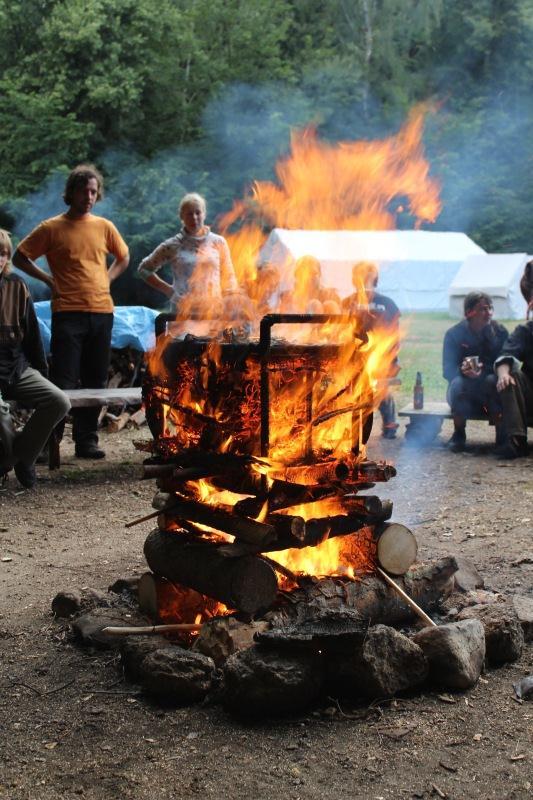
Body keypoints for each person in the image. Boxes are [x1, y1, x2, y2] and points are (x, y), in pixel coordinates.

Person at [12, 164, 130, 459]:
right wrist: (47, 280)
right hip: (67, 311)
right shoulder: (52, 228)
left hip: (102, 311)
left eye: (93, 191)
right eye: (84, 191)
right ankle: (46, 443)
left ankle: (86, 441)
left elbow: (124, 256)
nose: (89, 196)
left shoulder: (104, 226)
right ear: (72, 192)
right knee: (63, 380)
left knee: (95, 379)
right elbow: (19, 256)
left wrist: (108, 278)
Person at [0, 229, 70, 487]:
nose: (0, 258)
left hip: (15, 368)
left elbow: (32, 336)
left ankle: (21, 458)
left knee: (59, 401)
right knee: (1, 415)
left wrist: (41, 372)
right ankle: (9, 458)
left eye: (3, 253)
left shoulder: (17, 286)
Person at [138, 192, 240, 323]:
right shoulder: (172, 245)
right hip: (182, 314)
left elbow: (229, 276)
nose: (194, 218)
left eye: (198, 213)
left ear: (204, 214)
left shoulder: (218, 242)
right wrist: (169, 291)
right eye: (189, 214)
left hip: (213, 313)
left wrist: (231, 303)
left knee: (212, 344)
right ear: (182, 216)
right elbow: (144, 269)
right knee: (184, 344)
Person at [442, 291, 508, 452]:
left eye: (490, 308)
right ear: (469, 312)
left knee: (493, 381)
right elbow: (447, 370)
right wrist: (462, 370)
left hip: (487, 396)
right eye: (483, 309)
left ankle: (502, 436)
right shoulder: (454, 334)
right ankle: (459, 434)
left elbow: (505, 361)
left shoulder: (500, 332)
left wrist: (483, 371)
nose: (488, 313)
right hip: (464, 395)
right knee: (457, 383)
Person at [342, 261, 400, 439]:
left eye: (369, 275)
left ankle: (389, 420)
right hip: (353, 358)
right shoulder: (347, 303)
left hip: (381, 358)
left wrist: (389, 359)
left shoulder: (387, 304)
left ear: (375, 279)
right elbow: (340, 334)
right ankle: (351, 424)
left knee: (380, 377)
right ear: (354, 279)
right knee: (355, 378)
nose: (365, 278)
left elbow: (394, 336)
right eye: (361, 275)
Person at [492, 319, 533, 459]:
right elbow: (506, 355)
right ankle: (516, 440)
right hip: (530, 395)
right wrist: (503, 374)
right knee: (510, 376)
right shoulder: (526, 330)